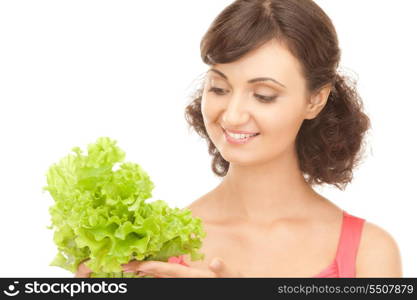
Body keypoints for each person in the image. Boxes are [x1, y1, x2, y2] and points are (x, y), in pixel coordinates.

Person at [76, 0, 402, 278]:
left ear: (315, 100)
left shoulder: (369, 254)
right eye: (219, 88)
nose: (231, 115)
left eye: (263, 95)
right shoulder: (154, 247)